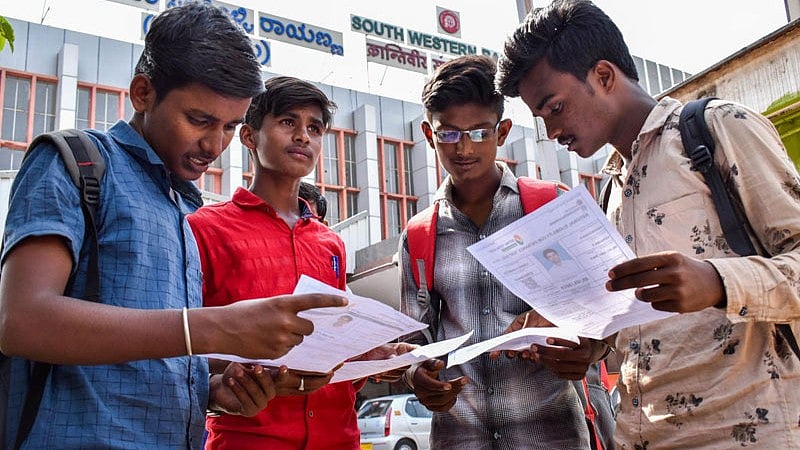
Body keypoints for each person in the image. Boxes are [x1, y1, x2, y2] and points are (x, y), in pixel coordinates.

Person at [0, 5, 346, 449]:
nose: (214, 144)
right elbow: (22, 320)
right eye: (199, 120)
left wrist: (218, 391)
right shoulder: (77, 163)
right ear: (143, 93)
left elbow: (158, 361)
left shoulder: (180, 207)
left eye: (229, 126)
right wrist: (211, 327)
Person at [496, 0, 800, 448]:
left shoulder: (715, 130)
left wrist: (718, 282)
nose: (552, 133)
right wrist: (588, 348)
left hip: (742, 432)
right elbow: (635, 323)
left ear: (603, 76)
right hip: (639, 434)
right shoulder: (609, 191)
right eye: (541, 121)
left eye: (555, 108)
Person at [188, 76, 412, 450]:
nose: (303, 137)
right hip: (248, 441)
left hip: (339, 438)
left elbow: (332, 342)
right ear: (249, 136)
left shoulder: (331, 243)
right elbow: (182, 345)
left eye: (314, 128)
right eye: (288, 122)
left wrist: (374, 357)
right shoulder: (204, 229)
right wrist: (233, 374)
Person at [398, 54, 596, 449]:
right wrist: (414, 375)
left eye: (479, 132)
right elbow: (413, 341)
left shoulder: (550, 208)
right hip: (459, 436)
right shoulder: (419, 236)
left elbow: (603, 310)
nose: (463, 147)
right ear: (428, 134)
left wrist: (589, 347)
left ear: (502, 131)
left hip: (551, 434)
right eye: (448, 134)